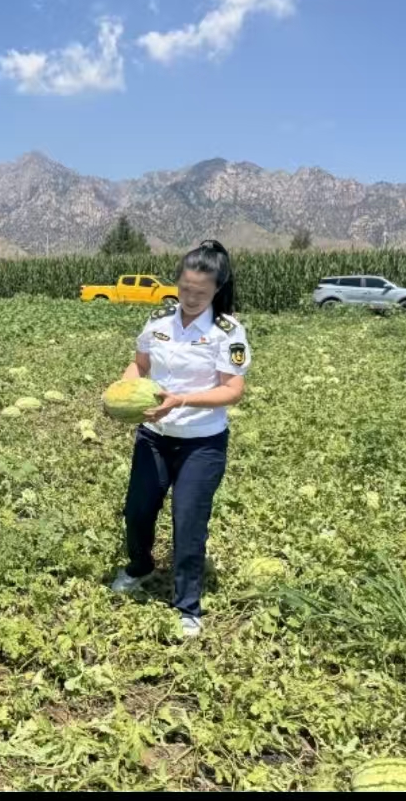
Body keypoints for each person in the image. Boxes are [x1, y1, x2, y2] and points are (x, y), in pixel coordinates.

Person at [110, 239, 251, 639]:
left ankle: (188, 603)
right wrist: (124, 391)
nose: (190, 297)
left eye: (200, 292)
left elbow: (232, 390)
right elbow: (138, 366)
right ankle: (139, 567)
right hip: (154, 436)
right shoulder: (158, 322)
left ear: (216, 290)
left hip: (201, 443)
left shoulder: (228, 331)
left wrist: (182, 400)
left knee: (188, 521)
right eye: (185, 288)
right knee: (137, 512)